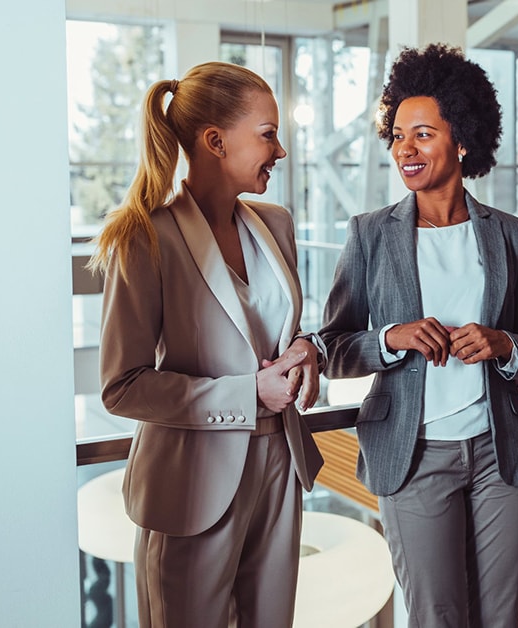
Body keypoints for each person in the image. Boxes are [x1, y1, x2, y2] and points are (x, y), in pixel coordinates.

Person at [316, 43, 518, 627]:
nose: (406, 149)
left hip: (500, 456)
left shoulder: (509, 234)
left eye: (422, 134)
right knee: (437, 618)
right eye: (397, 135)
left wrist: (504, 346)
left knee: (500, 619)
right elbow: (333, 350)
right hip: (412, 455)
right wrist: (391, 338)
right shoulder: (371, 234)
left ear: (462, 139)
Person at [91, 61, 325, 628]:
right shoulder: (144, 238)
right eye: (268, 134)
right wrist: (248, 394)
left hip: (278, 466)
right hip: (190, 486)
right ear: (215, 141)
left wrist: (305, 352)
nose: (281, 150)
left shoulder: (277, 224)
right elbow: (122, 388)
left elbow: (276, 329)